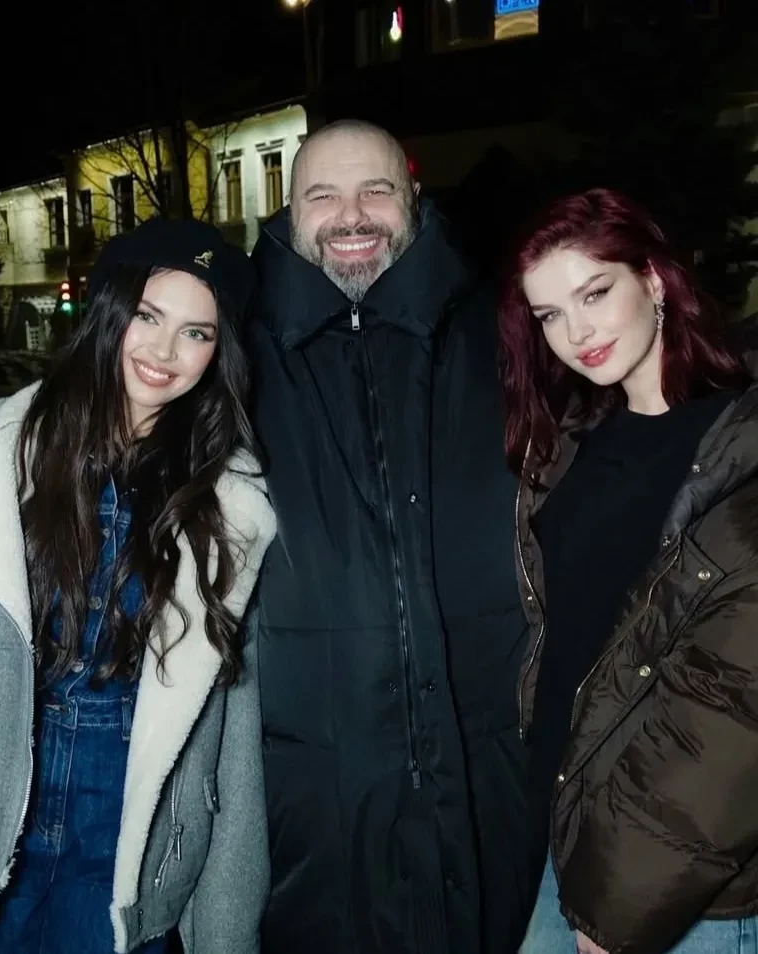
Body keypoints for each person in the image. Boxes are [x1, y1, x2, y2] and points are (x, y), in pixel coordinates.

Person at [0, 217, 277, 954]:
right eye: (147, 316)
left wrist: (228, 922)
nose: (164, 350)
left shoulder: (231, 507)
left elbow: (234, 735)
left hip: (130, 851)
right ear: (108, 311)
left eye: (196, 332)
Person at [245, 118, 535, 954]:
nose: (351, 216)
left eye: (375, 190)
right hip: (312, 800)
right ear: (289, 213)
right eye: (323, 195)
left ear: (413, 200)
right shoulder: (234, 349)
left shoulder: (504, 332)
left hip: (492, 785)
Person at [501, 188, 758, 954]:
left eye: (594, 293)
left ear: (652, 278)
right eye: (550, 315)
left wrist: (622, 901)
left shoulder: (738, 449)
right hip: (570, 835)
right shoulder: (578, 442)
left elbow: (734, 713)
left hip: (675, 888)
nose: (575, 333)